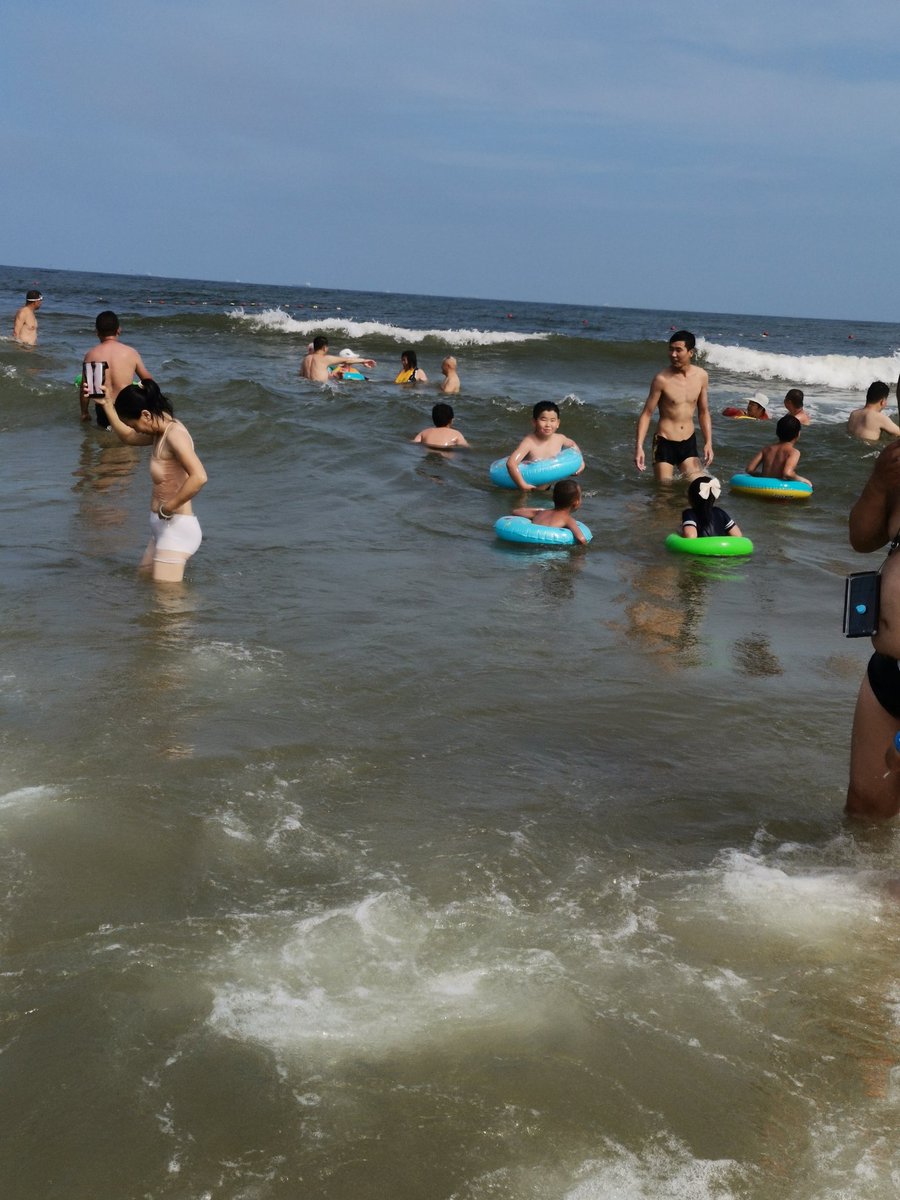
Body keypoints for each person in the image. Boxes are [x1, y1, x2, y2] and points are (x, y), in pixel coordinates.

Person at [96, 380, 207, 583]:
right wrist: (106, 405)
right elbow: (128, 437)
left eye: (135, 424)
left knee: (167, 607)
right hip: (162, 529)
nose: (137, 430)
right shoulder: (159, 432)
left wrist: (168, 508)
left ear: (146, 414)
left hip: (176, 529)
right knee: (144, 583)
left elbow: (199, 477)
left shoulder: (175, 435)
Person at [846, 440, 900, 818]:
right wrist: (880, 482)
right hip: (887, 670)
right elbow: (862, 539)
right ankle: (864, 879)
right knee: (865, 806)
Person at [634, 330, 713, 481]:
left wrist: (708, 442)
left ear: (691, 352)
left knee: (697, 485)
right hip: (664, 442)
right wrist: (639, 447)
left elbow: (703, 412)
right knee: (664, 491)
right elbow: (647, 413)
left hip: (688, 441)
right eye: (671, 349)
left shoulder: (701, 376)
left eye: (678, 350)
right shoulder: (661, 379)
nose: (673, 354)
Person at [80, 311, 154, 428]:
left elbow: (86, 388)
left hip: (103, 407)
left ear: (97, 332)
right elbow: (149, 381)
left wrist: (84, 412)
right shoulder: (130, 353)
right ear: (119, 330)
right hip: (127, 405)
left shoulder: (91, 355)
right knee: (128, 439)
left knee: (105, 439)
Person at [505, 400, 584, 492]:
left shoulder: (560, 439)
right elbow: (511, 463)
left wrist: (581, 462)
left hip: (547, 487)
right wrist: (522, 485)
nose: (548, 424)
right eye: (543, 420)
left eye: (552, 420)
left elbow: (573, 445)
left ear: (558, 423)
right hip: (526, 488)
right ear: (534, 422)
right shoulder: (529, 442)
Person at [512, 478, 588, 546]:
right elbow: (581, 539)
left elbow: (516, 512)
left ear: (553, 498)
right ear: (576, 503)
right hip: (547, 548)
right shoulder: (568, 520)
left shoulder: (540, 513)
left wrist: (539, 510)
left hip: (528, 541)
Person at [745, 414, 811, 486]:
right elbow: (787, 473)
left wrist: (762, 476)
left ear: (777, 432)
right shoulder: (794, 452)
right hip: (779, 491)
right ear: (798, 434)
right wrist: (803, 480)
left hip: (763, 487)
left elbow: (749, 469)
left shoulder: (766, 449)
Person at [300, 336, 375, 382]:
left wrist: (332, 375)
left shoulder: (305, 359)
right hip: (319, 389)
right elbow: (347, 360)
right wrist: (363, 361)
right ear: (324, 348)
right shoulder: (325, 359)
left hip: (308, 388)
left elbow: (304, 375)